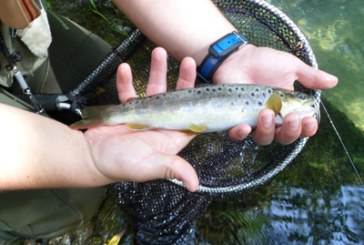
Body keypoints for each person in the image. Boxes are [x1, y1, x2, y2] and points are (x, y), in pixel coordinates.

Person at [0, 0, 337, 241]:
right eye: (302, 101)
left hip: (13, 23)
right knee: (72, 200)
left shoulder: (273, 101)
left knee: (97, 65)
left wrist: (227, 51)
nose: (307, 105)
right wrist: (85, 159)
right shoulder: (274, 100)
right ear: (284, 102)